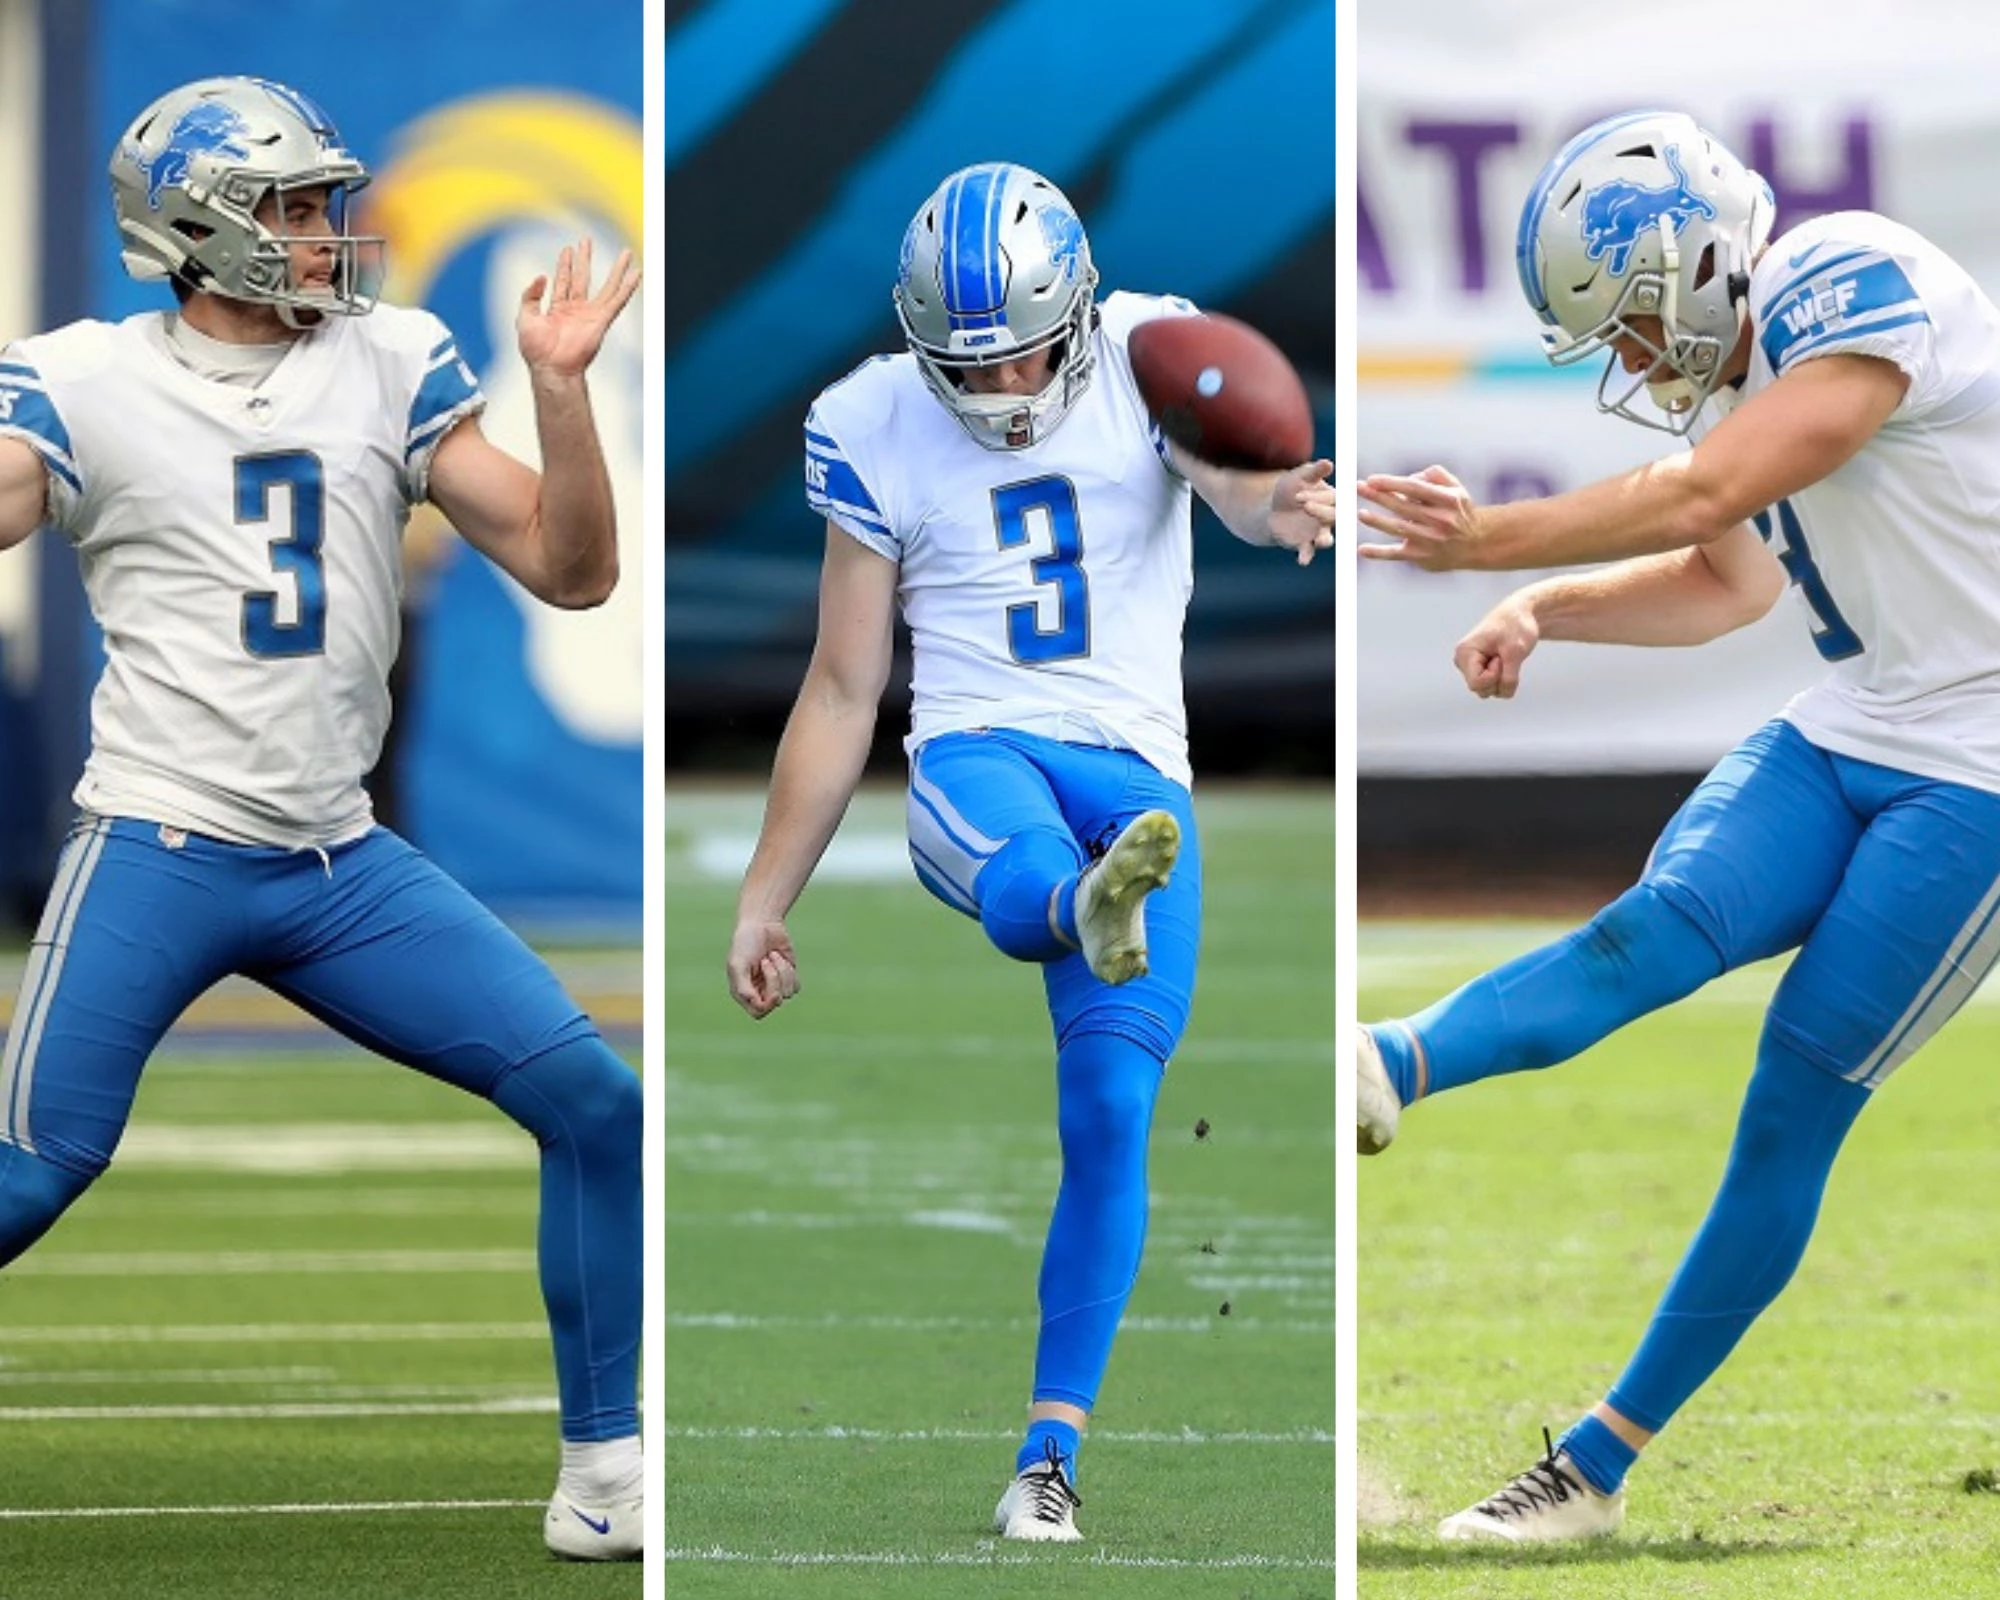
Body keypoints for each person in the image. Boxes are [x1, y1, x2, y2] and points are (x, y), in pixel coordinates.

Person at [0, 77, 643, 1561]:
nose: (321, 234)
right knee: (32, 1173)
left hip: (339, 861)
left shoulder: (390, 356)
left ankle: (605, 1479)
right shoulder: (87, 378)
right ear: (198, 228)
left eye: (317, 203)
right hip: (158, 843)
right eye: (288, 207)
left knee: (596, 1105)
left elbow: (573, 568)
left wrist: (560, 392)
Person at [1355, 106, 2000, 1542]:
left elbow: (1715, 490)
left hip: (1982, 767)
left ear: (1702, 254)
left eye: (1637, 323)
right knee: (1656, 927)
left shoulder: (1848, 268)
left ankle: (1589, 1468)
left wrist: (1493, 539)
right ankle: (1382, 1064)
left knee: (1794, 1099)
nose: (1639, 362)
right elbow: (1727, 581)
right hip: (1857, 719)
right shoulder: (1734, 381)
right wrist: (1542, 606)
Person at [726, 161, 1333, 1542]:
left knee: (1114, 1113)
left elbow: (1231, 487)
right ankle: (1074, 903)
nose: (997, 394)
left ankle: (1048, 1457)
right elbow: (840, 685)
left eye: (1020, 359)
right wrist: (768, 896)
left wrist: (1280, 503)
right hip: (979, 748)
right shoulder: (875, 418)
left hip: (1135, 776)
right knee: (1019, 886)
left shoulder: (1153, 350)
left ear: (1081, 305)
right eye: (966, 367)